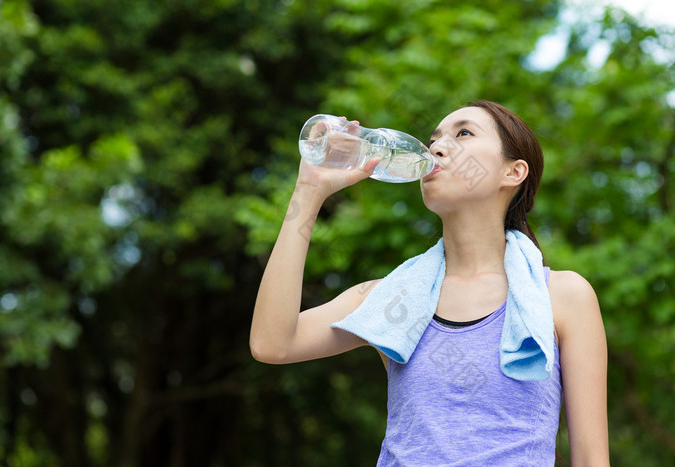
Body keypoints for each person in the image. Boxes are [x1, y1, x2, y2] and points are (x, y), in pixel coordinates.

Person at [250, 100, 609, 466]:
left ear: (513, 172)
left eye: (463, 134)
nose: (435, 147)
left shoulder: (562, 296)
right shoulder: (391, 298)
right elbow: (272, 343)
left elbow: (591, 457)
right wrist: (308, 190)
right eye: (434, 138)